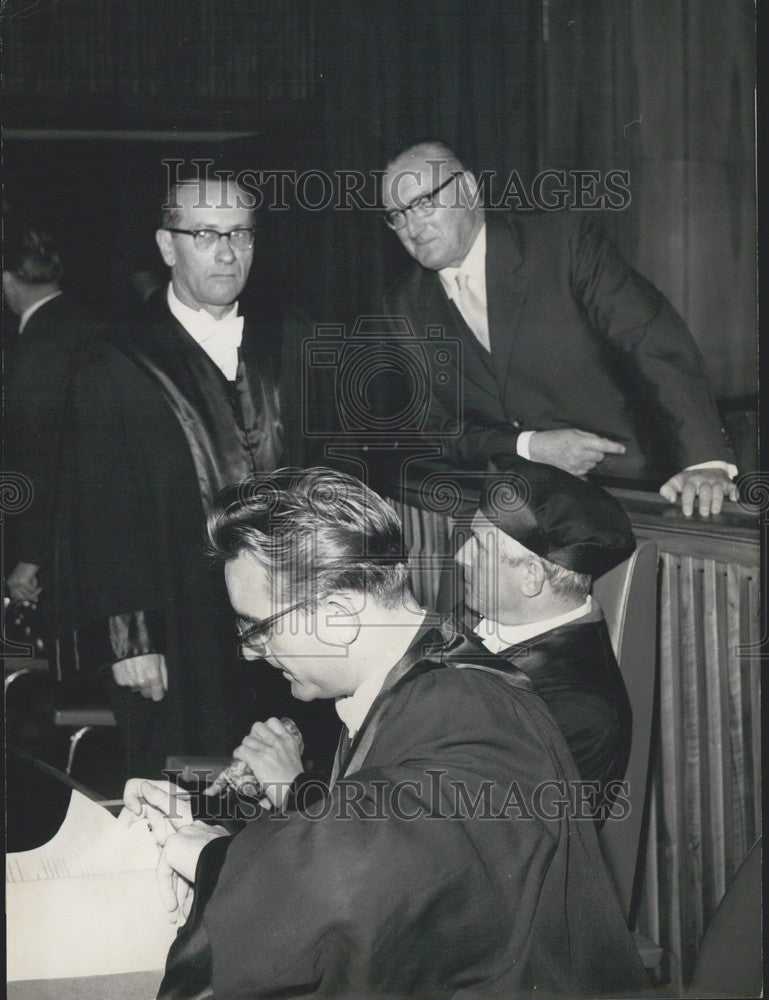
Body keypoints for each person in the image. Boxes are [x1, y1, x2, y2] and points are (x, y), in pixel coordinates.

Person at [123, 467, 647, 999]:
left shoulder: (480, 717)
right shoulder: (413, 670)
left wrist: (211, 858)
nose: (250, 652)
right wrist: (200, 821)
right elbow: (365, 829)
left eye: (258, 628)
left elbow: (360, 885)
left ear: (339, 614)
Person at [48, 172, 283, 777]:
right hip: (176, 634)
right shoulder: (115, 357)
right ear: (166, 246)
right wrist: (130, 639)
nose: (227, 253)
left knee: (284, 797)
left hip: (287, 631)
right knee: (183, 795)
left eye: (241, 234)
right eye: (205, 234)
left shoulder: (289, 342)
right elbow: (95, 509)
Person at [381, 141, 738, 517]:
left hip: (638, 493)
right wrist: (527, 446)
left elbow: (652, 341)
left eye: (425, 203)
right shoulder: (403, 302)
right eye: (397, 215)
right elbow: (437, 429)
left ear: (468, 188)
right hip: (515, 511)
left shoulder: (563, 244)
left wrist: (705, 461)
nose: (413, 228)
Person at [455, 460, 635, 810]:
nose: (461, 556)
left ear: (531, 577)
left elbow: (479, 822)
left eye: (478, 546)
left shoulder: (578, 709)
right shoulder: (490, 609)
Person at [3, 219, 105, 607]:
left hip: (61, 544)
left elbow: (40, 456)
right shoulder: (87, 323)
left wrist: (30, 557)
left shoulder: (38, 347)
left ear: (7, 279)